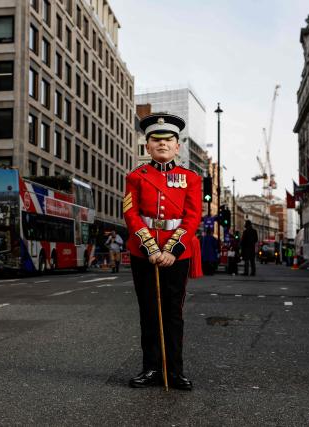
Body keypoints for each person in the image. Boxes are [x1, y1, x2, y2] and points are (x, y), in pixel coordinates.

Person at [123, 113, 202, 391]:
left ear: (177, 145)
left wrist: (171, 249)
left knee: (172, 313)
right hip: (143, 251)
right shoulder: (136, 176)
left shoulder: (190, 178)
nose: (163, 144)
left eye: (168, 140)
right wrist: (150, 247)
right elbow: (131, 214)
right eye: (156, 140)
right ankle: (151, 368)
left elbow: (193, 217)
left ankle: (175, 371)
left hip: (177, 253)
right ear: (147, 146)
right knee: (148, 312)